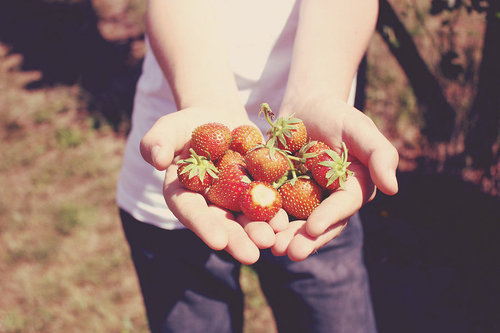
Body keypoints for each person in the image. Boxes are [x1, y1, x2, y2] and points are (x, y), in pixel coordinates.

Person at [116, 1, 399, 332]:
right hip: (181, 180)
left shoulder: (312, 166)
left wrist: (318, 94)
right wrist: (205, 100)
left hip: (315, 203)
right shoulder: (213, 159)